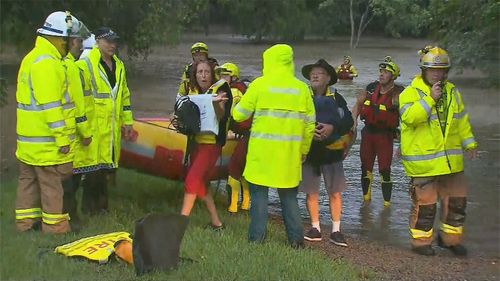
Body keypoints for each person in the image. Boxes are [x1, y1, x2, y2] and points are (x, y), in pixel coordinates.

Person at [232, 44, 316, 248]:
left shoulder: (259, 85)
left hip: (261, 155)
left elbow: (239, 115)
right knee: (289, 199)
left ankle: (256, 240)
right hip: (288, 156)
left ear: (268, 61)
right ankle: (296, 242)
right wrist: (303, 150)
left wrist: (234, 103)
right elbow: (310, 124)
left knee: (259, 197)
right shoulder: (302, 89)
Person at [399, 46, 477, 257]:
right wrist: (430, 99)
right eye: (433, 70)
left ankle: (450, 240)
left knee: (457, 202)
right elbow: (410, 118)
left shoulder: (452, 92)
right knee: (426, 206)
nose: (437, 74)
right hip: (423, 164)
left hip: (451, 161)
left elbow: (461, 121)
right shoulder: (409, 93)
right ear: (423, 70)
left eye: (441, 70)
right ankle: (421, 243)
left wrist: (469, 143)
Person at [14, 11, 84, 234]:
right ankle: (55, 228)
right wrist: (62, 138)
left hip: (28, 141)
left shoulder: (32, 57)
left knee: (28, 182)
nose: (72, 44)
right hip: (46, 143)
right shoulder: (48, 64)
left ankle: (25, 225)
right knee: (51, 185)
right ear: (60, 38)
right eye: (70, 39)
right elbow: (51, 106)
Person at [76, 27, 134, 215]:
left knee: (106, 169)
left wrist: (128, 122)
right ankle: (89, 208)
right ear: (97, 41)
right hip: (93, 125)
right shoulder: (86, 63)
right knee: (91, 169)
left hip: (111, 126)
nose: (112, 45)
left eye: (114, 41)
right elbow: (79, 97)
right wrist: (82, 126)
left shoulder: (119, 65)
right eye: (108, 41)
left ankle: (101, 207)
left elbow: (124, 96)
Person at [300, 59, 353, 246]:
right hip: (310, 151)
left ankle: (336, 231)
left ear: (329, 78)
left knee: (335, 192)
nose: (314, 75)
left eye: (319, 73)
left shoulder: (337, 98)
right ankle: (315, 228)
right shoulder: (302, 94)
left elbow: (348, 122)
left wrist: (331, 127)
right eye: (312, 73)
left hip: (332, 152)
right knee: (311, 192)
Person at [179, 60, 232, 230]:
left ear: (212, 74)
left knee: (192, 180)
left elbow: (221, 115)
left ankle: (180, 223)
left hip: (210, 146)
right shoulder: (192, 91)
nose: (203, 75)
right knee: (201, 183)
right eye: (200, 72)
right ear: (195, 75)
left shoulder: (221, 90)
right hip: (195, 144)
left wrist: (217, 104)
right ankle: (217, 223)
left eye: (206, 72)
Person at [351, 56, 404, 206]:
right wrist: (353, 122)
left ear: (393, 76)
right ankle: (366, 202)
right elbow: (358, 106)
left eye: (385, 72)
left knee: (385, 170)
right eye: (380, 71)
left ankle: (387, 206)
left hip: (385, 135)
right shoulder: (370, 88)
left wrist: (403, 143)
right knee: (365, 168)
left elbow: (406, 119)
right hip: (368, 133)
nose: (381, 74)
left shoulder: (399, 94)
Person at [61, 23, 93, 231]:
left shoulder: (66, 65)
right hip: (68, 132)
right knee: (67, 180)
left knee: (67, 179)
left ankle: (67, 216)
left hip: (64, 131)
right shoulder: (70, 67)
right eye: (79, 42)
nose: (81, 46)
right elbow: (77, 105)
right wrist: (85, 132)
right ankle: (69, 218)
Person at [215, 62, 251, 213]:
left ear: (233, 77)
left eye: (225, 75)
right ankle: (245, 205)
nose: (222, 78)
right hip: (250, 135)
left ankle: (232, 207)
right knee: (243, 173)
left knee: (234, 170)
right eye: (221, 75)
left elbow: (229, 117)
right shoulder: (243, 90)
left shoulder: (234, 92)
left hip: (244, 135)